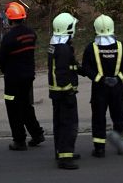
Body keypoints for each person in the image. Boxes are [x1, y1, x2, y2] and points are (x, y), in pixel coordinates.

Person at [81, 14, 123, 157]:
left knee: (98, 118)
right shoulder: (121, 46)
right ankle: (122, 147)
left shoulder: (91, 48)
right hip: (116, 88)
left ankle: (99, 149)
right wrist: (118, 78)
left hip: (99, 89)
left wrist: (100, 78)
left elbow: (86, 68)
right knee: (118, 116)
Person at [0, 1, 44, 151]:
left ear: (10, 19)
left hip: (13, 78)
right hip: (28, 76)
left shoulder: (9, 38)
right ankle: (37, 134)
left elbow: (2, 58)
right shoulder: (31, 34)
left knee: (13, 109)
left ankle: (19, 140)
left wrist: (6, 70)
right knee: (26, 106)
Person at [48, 12, 80, 170]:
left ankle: (61, 152)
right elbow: (61, 73)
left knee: (60, 124)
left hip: (57, 93)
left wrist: (80, 69)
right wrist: (68, 91)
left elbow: (68, 67)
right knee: (68, 124)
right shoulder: (63, 49)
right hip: (64, 93)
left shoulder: (56, 45)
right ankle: (65, 158)